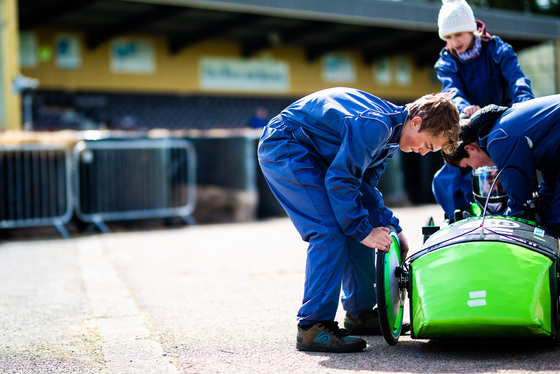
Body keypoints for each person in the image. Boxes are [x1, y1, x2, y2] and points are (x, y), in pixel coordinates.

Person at [257, 87, 460, 353]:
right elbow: (342, 180)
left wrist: (391, 228)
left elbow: (363, 187)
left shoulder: (390, 137)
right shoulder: (375, 127)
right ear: (417, 121)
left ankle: (359, 314)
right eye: (427, 145)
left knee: (361, 226)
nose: (423, 153)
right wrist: (361, 229)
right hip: (286, 145)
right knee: (329, 231)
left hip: (313, 152)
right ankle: (312, 326)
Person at [432, 0, 535, 221]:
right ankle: (459, 217)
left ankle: (525, 211)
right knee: (453, 165)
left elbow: (518, 80)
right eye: (447, 37)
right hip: (468, 122)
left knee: (523, 158)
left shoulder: (498, 49)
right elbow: (451, 89)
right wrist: (462, 107)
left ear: (471, 29)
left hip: (503, 122)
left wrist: (523, 104)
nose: (454, 42)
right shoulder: (447, 60)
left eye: (458, 34)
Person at [442, 95, 560, 231]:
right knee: (553, 217)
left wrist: (494, 229)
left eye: (468, 165)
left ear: (470, 149)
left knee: (556, 219)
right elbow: (550, 175)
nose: (474, 168)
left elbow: (521, 201)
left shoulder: (498, 139)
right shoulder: (501, 127)